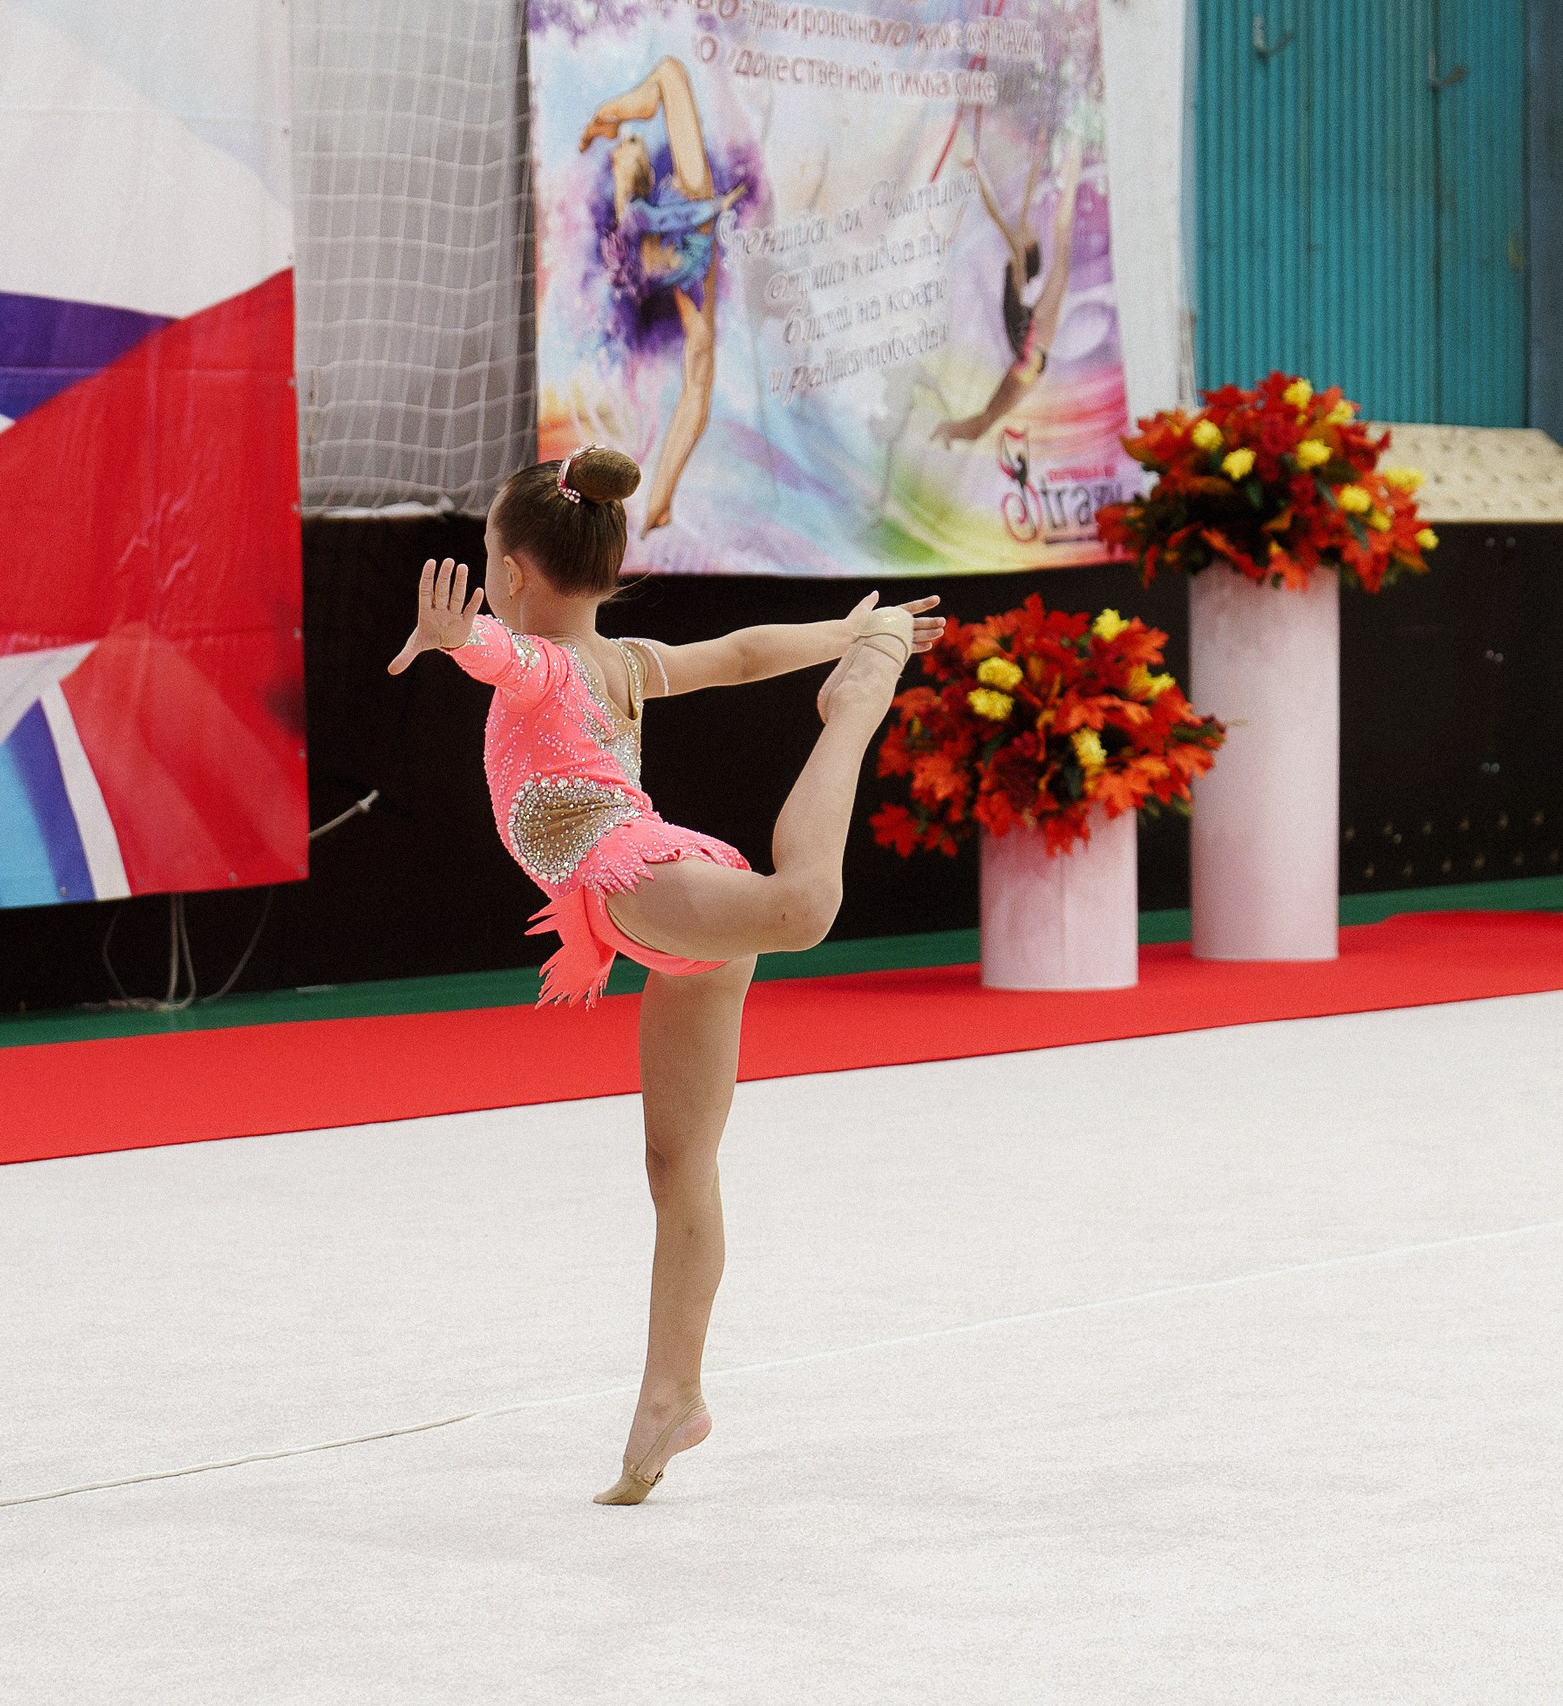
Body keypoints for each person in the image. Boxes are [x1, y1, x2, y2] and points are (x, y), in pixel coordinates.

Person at [387, 447, 945, 1503]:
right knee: (677, 1160)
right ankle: (670, 1395)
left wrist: (460, 640)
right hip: (660, 929)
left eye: (487, 559)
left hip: (633, 873)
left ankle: (859, 706)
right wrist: (846, 625)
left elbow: (505, 658)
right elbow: (736, 654)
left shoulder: (545, 662)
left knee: (802, 907)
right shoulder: (625, 661)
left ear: (509, 571)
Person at [580, 58, 743, 536]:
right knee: (670, 73)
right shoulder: (642, 212)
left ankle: (660, 502)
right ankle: (660, 501)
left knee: (699, 373)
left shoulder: (630, 216)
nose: (637, 144)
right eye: (632, 145)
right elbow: (671, 219)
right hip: (691, 238)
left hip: (686, 263)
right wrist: (715, 204)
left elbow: (653, 238)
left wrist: (606, 125)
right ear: (634, 169)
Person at [934, 130, 1088, 446]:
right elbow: (1019, 217)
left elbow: (1010, 215)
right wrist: (1050, 163)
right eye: (1026, 231)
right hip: (1030, 358)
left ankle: (948, 432)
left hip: (1028, 357)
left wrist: (1043, 161)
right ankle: (948, 432)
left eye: (1026, 231)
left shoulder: (1021, 271)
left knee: (985, 419)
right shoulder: (1020, 270)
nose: (1026, 228)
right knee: (983, 421)